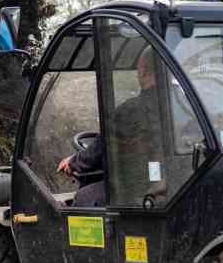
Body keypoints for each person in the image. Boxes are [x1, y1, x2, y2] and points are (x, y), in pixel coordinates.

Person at [57, 48, 160, 207]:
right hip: (162, 180)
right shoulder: (178, 104)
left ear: (143, 71)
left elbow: (101, 148)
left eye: (138, 69)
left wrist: (73, 162)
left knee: (85, 197)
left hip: (140, 186)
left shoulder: (131, 110)